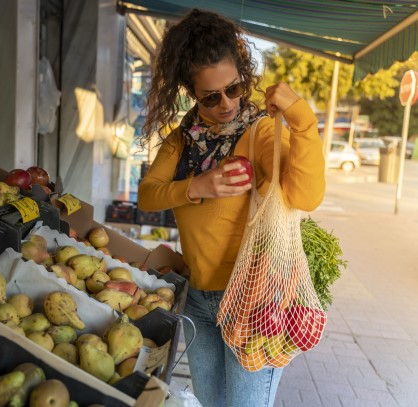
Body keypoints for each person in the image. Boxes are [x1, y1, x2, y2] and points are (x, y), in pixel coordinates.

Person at [137, 9, 326, 407]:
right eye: (211, 96)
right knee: (212, 402)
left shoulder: (257, 133)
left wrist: (303, 122)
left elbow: (305, 196)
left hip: (253, 300)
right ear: (191, 92)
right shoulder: (181, 142)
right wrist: (199, 185)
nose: (226, 103)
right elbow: (149, 195)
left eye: (234, 89)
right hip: (200, 299)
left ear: (243, 78)